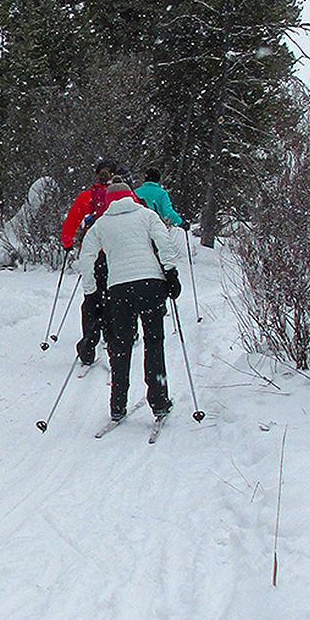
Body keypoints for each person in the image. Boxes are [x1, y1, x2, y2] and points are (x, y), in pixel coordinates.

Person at [76, 181, 181, 423]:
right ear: (131, 197)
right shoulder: (147, 215)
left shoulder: (101, 224)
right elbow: (164, 243)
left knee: (120, 346)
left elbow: (86, 257)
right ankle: (159, 401)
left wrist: (91, 292)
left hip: (119, 290)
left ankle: (117, 405)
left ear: (111, 201)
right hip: (151, 286)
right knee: (154, 343)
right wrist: (171, 273)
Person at [59, 160, 132, 367]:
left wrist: (67, 243)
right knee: (114, 298)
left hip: (93, 256)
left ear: (96, 175)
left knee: (92, 298)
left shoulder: (86, 196)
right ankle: (114, 340)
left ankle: (89, 345)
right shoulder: (124, 196)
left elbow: (70, 223)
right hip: (116, 255)